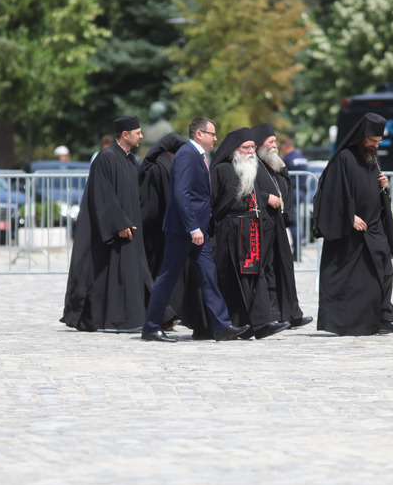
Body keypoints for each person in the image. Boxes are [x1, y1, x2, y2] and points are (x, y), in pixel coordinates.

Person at [140, 117, 251, 343]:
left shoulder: (199, 156)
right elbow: (181, 194)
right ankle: (151, 327)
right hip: (183, 230)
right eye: (212, 133)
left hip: (198, 231)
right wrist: (192, 227)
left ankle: (221, 326)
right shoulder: (186, 154)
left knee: (209, 276)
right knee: (167, 277)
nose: (215, 138)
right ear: (199, 134)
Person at [311, 112, 393, 336]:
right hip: (352, 229)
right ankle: (348, 323)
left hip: (374, 226)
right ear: (361, 137)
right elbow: (331, 194)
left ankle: (385, 317)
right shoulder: (344, 158)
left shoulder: (373, 158)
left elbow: (372, 190)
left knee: (384, 269)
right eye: (372, 141)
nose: (375, 145)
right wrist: (349, 217)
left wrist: (383, 187)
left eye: (378, 141)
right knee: (350, 279)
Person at [60, 116, 152, 332]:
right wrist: (119, 223)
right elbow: (103, 196)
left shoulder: (131, 160)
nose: (142, 136)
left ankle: (133, 318)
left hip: (131, 228)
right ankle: (109, 320)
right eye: (138, 132)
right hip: (115, 230)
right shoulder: (105, 158)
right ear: (125, 134)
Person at [210, 127, 290, 340]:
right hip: (232, 231)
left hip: (252, 230)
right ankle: (240, 323)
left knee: (256, 276)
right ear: (233, 150)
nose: (252, 152)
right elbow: (217, 203)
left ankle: (262, 323)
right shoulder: (221, 170)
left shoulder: (250, 168)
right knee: (236, 279)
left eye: (253, 147)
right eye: (246, 148)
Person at [138, 131, 209, 335]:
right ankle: (154, 323)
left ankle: (219, 323)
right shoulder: (161, 168)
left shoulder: (162, 165)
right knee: (166, 276)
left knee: (203, 274)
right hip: (169, 231)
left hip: (173, 228)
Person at [251, 123, 312, 329]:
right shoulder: (251, 164)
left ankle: (292, 313)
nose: (275, 145)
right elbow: (244, 191)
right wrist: (265, 197)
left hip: (277, 223)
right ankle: (272, 312)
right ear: (260, 145)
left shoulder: (274, 163)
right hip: (262, 223)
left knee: (284, 267)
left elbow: (286, 188)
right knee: (267, 268)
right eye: (271, 142)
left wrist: (283, 170)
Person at [280, 136, 310, 256]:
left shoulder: (287, 159)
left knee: (292, 222)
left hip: (292, 192)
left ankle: (296, 252)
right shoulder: (302, 158)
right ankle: (298, 250)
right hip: (302, 192)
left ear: (283, 146)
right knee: (297, 221)